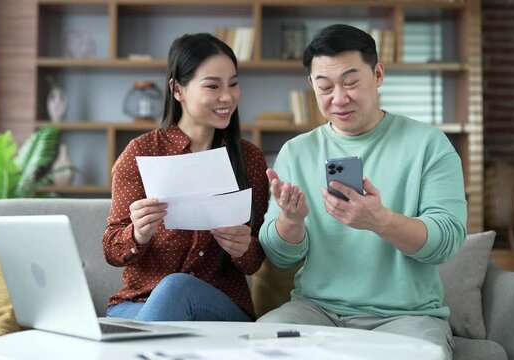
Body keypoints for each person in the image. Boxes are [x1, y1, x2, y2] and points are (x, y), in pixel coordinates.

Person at [257, 24, 467, 360]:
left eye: (351, 83)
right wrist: (290, 221)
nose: (338, 98)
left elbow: (446, 243)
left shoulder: (428, 145)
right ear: (311, 84)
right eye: (324, 87)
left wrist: (380, 221)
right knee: (257, 343)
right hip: (316, 311)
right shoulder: (297, 152)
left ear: (378, 74)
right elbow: (280, 255)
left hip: (406, 317)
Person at [103, 33, 268, 322]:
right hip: (140, 304)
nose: (227, 97)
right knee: (170, 292)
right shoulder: (142, 152)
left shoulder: (248, 158)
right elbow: (112, 250)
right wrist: (138, 234)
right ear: (178, 89)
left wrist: (243, 248)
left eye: (233, 84)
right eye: (212, 86)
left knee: (177, 287)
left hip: (218, 308)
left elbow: (255, 262)